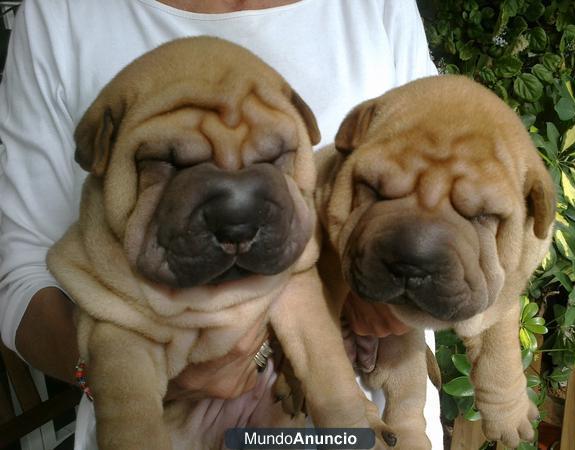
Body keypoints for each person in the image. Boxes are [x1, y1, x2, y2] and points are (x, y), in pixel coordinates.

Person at [0, 0, 443, 448]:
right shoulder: (62, 13)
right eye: (165, 161)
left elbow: (449, 187)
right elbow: (19, 272)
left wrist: (392, 287)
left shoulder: (377, 7)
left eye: (272, 156)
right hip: (164, 423)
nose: (235, 210)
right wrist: (120, 373)